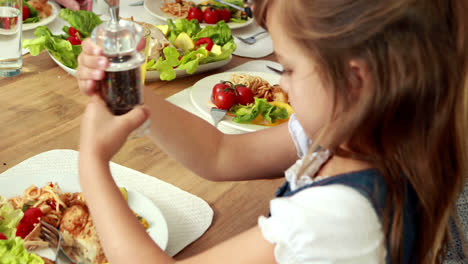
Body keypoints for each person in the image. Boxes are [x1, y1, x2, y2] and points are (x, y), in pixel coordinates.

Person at [76, 0, 468, 263]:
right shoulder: (364, 133)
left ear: (354, 82)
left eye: (287, 68)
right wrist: (127, 87)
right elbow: (219, 153)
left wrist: (91, 163)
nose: (282, 86)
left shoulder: (340, 216)